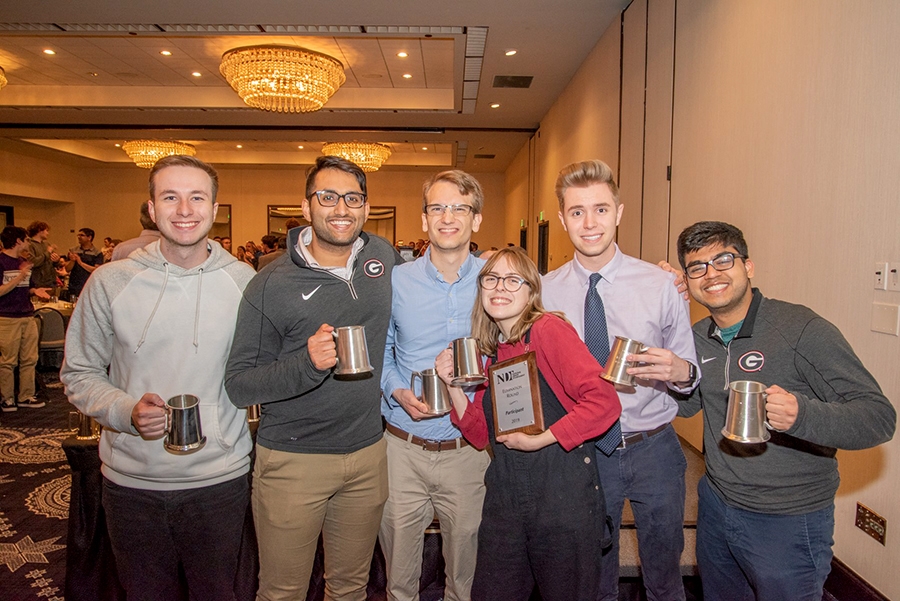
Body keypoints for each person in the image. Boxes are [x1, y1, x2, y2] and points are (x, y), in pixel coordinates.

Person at [60, 155, 256, 601]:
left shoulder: (244, 282)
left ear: (214, 206)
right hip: (132, 484)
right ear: (151, 208)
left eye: (196, 197)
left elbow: (259, 369)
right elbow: (79, 371)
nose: (184, 209)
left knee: (220, 594)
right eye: (170, 196)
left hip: (219, 480)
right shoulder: (111, 281)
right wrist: (125, 411)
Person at [672, 221, 896, 601]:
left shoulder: (800, 329)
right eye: (698, 267)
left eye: (723, 259)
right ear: (688, 281)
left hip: (788, 519)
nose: (711, 274)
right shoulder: (696, 337)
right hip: (716, 506)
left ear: (749, 266)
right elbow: (690, 405)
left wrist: (802, 415)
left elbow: (878, 417)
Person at [225, 155, 403, 601]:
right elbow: (240, 385)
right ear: (306, 208)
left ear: (365, 207)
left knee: (351, 588)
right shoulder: (270, 283)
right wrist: (306, 363)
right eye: (328, 197)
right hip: (292, 461)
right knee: (283, 591)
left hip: (367, 453)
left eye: (353, 198)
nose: (341, 209)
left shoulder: (383, 257)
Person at [541, 159, 699, 601]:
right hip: (585, 451)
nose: (589, 223)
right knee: (594, 575)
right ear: (562, 219)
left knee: (666, 577)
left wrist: (679, 371)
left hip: (654, 450)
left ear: (619, 212)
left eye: (601, 209)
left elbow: (689, 374)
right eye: (577, 212)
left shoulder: (661, 284)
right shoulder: (544, 291)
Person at [434, 247, 620, 601]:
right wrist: (452, 386)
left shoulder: (549, 330)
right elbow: (479, 435)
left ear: (531, 290)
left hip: (562, 498)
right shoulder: (492, 352)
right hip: (506, 501)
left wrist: (544, 438)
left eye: (512, 279)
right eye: (491, 279)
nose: (499, 287)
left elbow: (605, 402)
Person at [379, 170, 491, 601]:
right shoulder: (396, 281)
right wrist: (396, 391)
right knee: (399, 582)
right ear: (424, 219)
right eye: (438, 207)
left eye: (460, 208)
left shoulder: (494, 281)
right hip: (401, 450)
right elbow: (383, 351)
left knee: (464, 582)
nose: (448, 217)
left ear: (476, 219)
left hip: (468, 453)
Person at [0, 226, 50, 412]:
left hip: (27, 315)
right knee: (7, 361)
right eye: (27, 239)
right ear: (18, 240)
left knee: (29, 359)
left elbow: (27, 288)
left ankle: (26, 396)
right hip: (6, 317)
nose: (28, 243)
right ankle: (7, 398)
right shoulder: (2, 262)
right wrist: (20, 276)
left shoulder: (24, 262)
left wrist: (35, 290)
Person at [65, 227, 104, 299]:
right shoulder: (73, 250)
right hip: (74, 285)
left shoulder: (97, 253)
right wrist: (72, 261)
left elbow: (96, 270)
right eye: (78, 235)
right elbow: (67, 269)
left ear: (89, 238)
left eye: (82, 235)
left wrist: (80, 263)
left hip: (89, 285)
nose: (79, 237)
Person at [26, 221, 60, 289]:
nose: (48, 233)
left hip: (51, 282)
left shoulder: (47, 244)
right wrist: (47, 253)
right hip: (38, 283)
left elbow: (53, 264)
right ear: (39, 230)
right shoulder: (29, 245)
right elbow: (33, 262)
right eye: (46, 231)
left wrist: (56, 260)